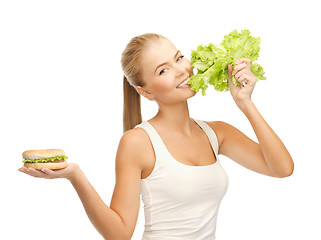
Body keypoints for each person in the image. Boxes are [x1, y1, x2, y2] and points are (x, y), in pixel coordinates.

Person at [18, 33, 294, 240]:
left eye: (179, 57)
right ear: (146, 92)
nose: (181, 70)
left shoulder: (216, 133)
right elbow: (120, 233)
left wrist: (245, 103)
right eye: (163, 70)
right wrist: (75, 175)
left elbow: (282, 169)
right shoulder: (137, 142)